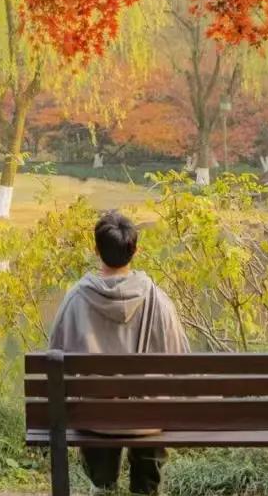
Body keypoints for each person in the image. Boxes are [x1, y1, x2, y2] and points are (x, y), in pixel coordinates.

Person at [48, 210, 189, 495]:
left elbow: (55, 357)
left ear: (96, 249)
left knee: (95, 418)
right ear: (135, 250)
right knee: (152, 414)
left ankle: (103, 485)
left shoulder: (75, 298)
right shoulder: (158, 300)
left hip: (96, 419)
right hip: (148, 420)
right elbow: (181, 361)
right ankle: (145, 488)